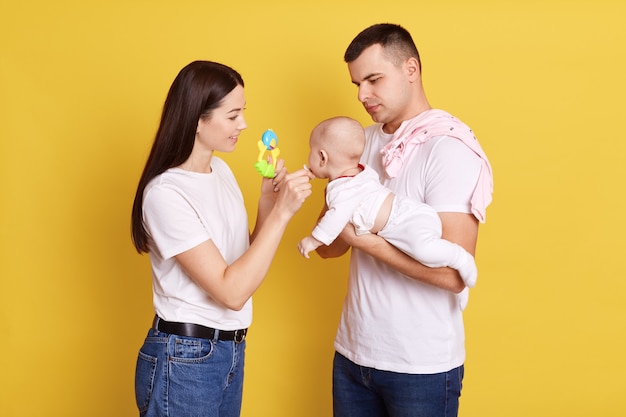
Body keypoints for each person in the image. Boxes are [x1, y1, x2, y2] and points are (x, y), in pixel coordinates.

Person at [315, 24, 493, 417]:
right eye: (357, 83)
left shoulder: (449, 150)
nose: (363, 95)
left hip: (421, 366)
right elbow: (328, 247)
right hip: (352, 354)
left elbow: (454, 274)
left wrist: (365, 240)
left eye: (374, 79)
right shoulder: (359, 140)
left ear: (411, 69)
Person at [130, 60, 314, 417]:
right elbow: (231, 292)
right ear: (198, 119)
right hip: (185, 356)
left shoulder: (222, 170)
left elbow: (241, 267)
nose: (243, 124)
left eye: (243, 112)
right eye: (232, 116)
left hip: (228, 350)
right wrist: (284, 213)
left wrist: (267, 203)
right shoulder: (165, 193)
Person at [297, 117, 477, 305]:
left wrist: (313, 240)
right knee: (428, 258)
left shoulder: (343, 190)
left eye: (311, 151)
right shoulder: (361, 172)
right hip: (406, 213)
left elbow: (335, 218)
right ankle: (462, 287)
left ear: (323, 157)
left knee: (423, 250)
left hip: (406, 221)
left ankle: (461, 258)